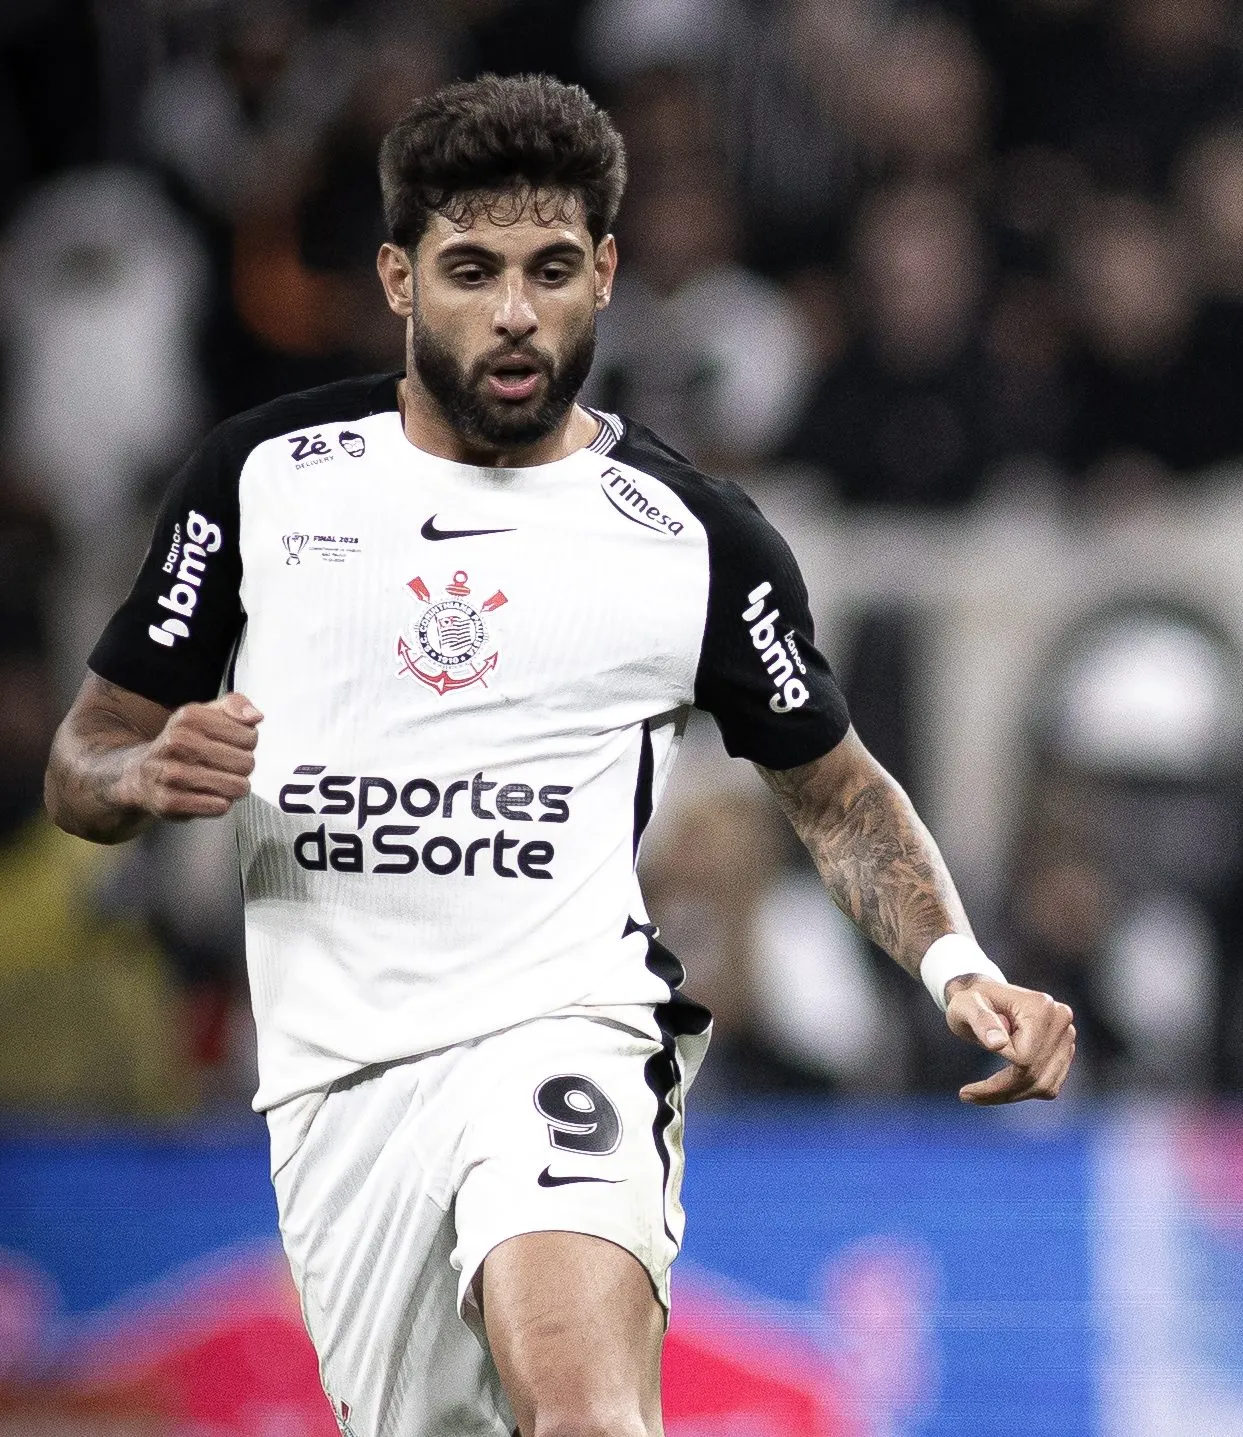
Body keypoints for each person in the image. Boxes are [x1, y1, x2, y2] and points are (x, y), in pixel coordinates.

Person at [42, 75, 1076, 1437]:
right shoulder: (264, 485)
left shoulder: (689, 537)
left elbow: (834, 796)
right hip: (336, 1083)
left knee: (582, 1414)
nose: (515, 313)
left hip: (564, 1031)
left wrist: (958, 967)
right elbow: (84, 756)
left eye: (548, 271)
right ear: (400, 277)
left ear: (603, 274)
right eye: (472, 271)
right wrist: (139, 774)